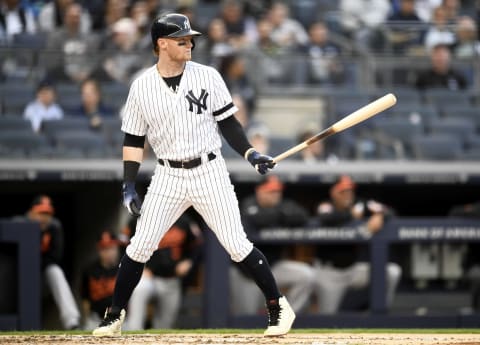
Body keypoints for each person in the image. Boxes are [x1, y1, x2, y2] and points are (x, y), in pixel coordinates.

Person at [92, 13, 295, 337]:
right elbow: (133, 140)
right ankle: (113, 316)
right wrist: (128, 184)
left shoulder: (208, 75)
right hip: (168, 174)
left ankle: (278, 306)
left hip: (208, 170)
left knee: (236, 243)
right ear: (161, 44)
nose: (190, 43)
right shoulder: (142, 86)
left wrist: (250, 153)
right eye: (181, 39)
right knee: (139, 245)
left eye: (190, 39)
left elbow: (228, 123)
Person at [313, 175, 402, 314]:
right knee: (327, 316)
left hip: (354, 270)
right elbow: (326, 218)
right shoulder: (326, 205)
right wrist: (351, 215)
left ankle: (381, 313)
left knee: (391, 271)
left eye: (350, 191)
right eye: (343, 191)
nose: (348, 195)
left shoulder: (360, 204)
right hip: (329, 272)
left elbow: (389, 210)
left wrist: (380, 216)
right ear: (334, 192)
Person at [231, 175, 315, 315]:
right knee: (246, 317)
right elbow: (259, 219)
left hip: (272, 267)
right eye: (271, 192)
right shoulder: (248, 204)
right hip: (246, 274)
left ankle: (287, 316)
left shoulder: (283, 204)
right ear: (260, 191)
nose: (276, 195)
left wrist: (277, 214)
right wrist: (282, 216)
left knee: (306, 275)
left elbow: (302, 216)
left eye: (277, 192)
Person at [14, 195, 80, 329]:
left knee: (55, 271)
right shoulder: (18, 224)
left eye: (48, 213)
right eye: (41, 213)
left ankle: (71, 320)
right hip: (17, 276)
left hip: (41, 274)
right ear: (31, 212)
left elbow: (55, 257)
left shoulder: (54, 228)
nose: (44, 217)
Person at [125, 214, 202, 330]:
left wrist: (189, 262)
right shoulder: (144, 217)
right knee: (140, 289)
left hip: (171, 279)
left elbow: (198, 245)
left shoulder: (184, 221)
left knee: (164, 326)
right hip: (149, 277)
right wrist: (138, 267)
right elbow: (124, 243)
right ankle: (134, 332)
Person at [44, 2, 100, 83]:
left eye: (77, 17)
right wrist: (68, 74)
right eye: (71, 17)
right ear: (65, 18)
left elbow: (93, 60)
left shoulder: (89, 39)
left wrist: (86, 73)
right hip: (61, 79)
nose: (74, 20)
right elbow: (52, 61)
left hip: (84, 79)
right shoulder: (55, 37)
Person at [81, 231, 120, 330]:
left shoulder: (124, 269)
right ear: (99, 250)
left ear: (117, 248)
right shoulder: (89, 270)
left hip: (122, 320)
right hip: (96, 320)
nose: (109, 253)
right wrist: (86, 319)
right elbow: (85, 299)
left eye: (111, 248)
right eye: (104, 249)